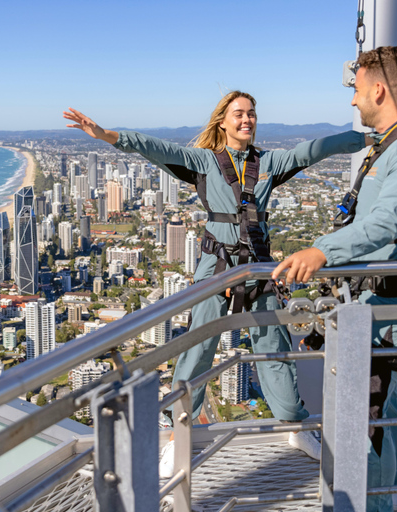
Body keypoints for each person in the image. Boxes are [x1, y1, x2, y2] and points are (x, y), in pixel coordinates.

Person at [64, 92, 369, 475]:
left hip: (258, 266)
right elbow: (154, 148)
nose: (247, 119)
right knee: (199, 345)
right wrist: (106, 134)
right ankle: (179, 435)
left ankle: (294, 424)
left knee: (273, 346)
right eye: (238, 114)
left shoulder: (268, 162)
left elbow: (314, 150)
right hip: (217, 266)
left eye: (252, 113)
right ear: (222, 121)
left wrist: (376, 138)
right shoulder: (204, 161)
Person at [272, 46, 397, 512]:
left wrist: (322, 251)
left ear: (379, 89)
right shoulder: (391, 145)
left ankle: (374, 505)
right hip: (368, 309)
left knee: (367, 423)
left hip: (385, 311)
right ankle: (384, 501)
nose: (353, 101)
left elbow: (386, 224)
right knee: (383, 412)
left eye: (355, 90)